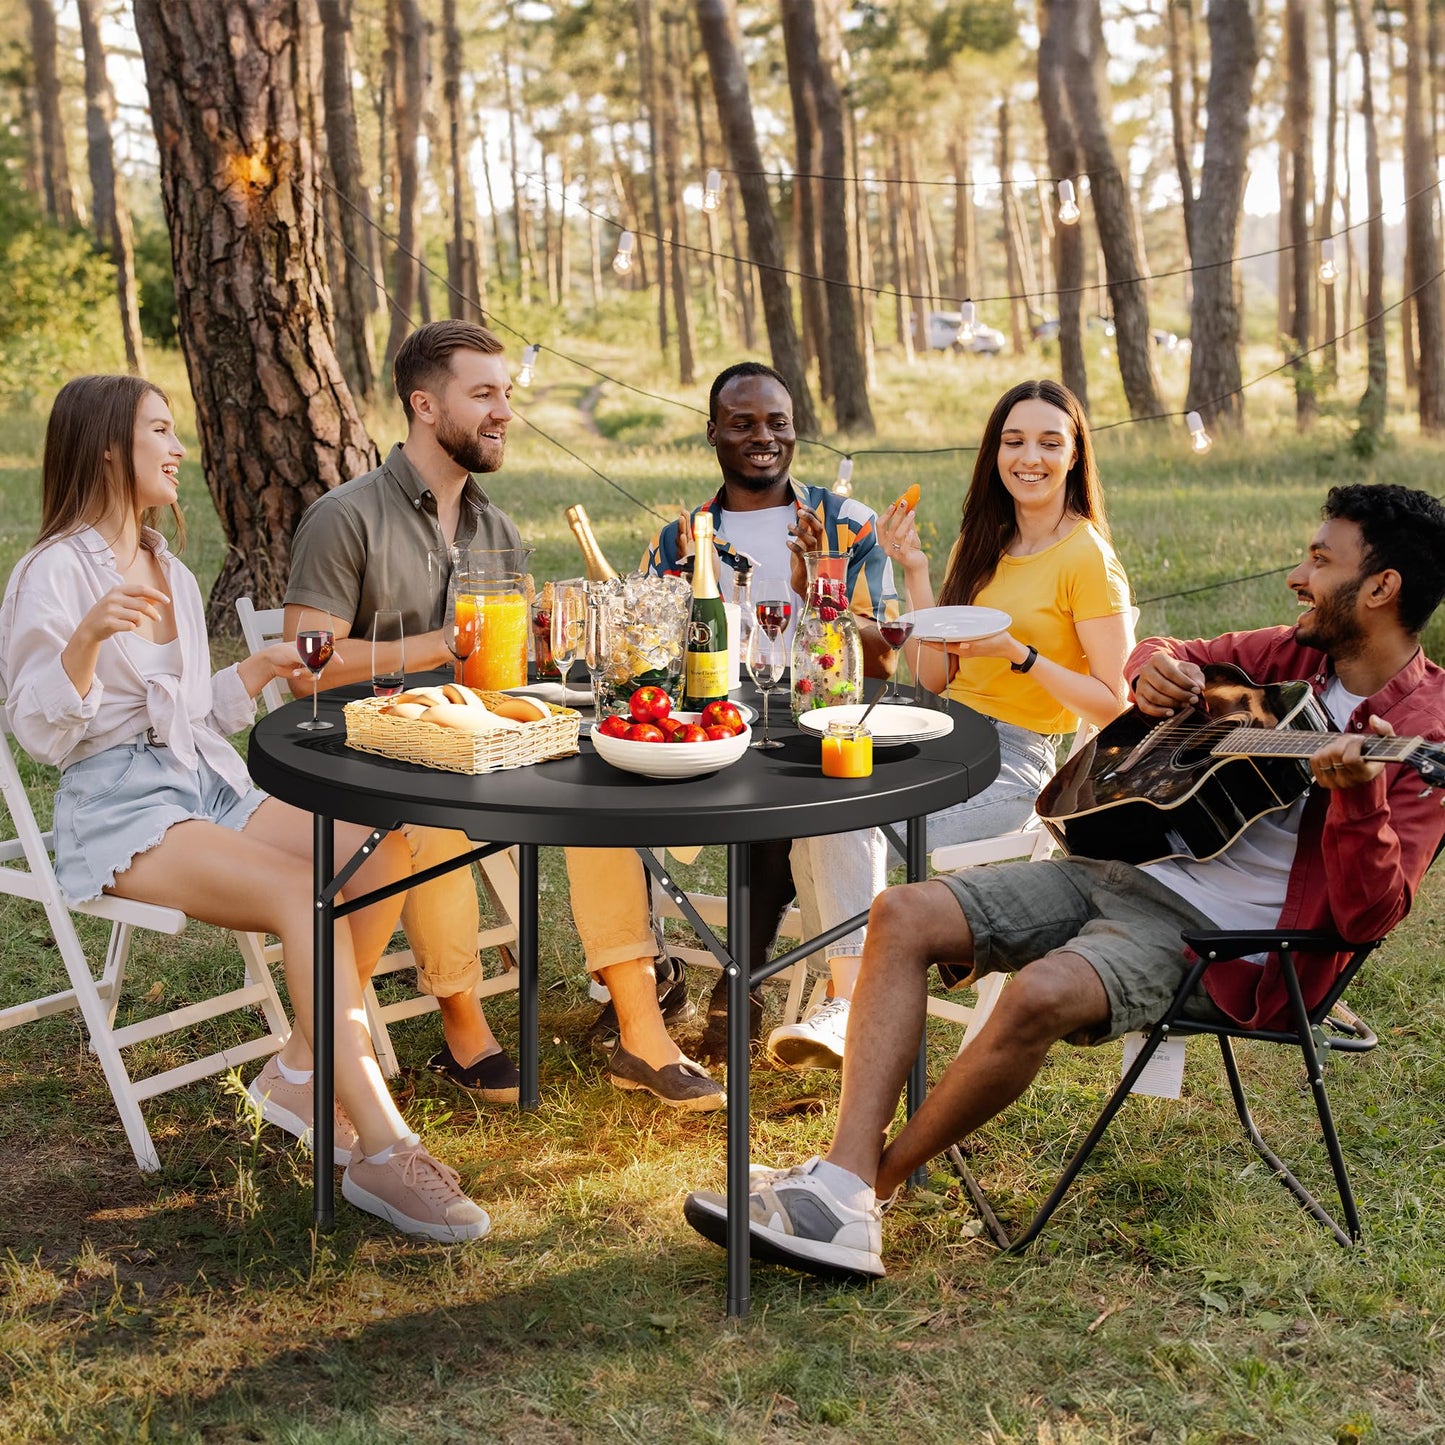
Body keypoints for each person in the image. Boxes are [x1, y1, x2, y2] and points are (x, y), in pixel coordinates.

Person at [683, 483, 1445, 1278]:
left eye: (1319, 561)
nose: (1297, 574)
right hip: (1121, 864)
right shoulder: (1290, 654)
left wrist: (1358, 803)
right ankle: (840, 1177)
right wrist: (1158, 675)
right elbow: (1165, 653)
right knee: (903, 912)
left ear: (1380, 588)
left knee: (1036, 994)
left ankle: (858, 1192)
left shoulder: (1423, 730)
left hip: (1219, 942)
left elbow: (1368, 917)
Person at [1, 374, 491, 1241]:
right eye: (159, 429)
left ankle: (301, 1069)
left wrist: (258, 673)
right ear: (109, 445)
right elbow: (40, 732)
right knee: (301, 894)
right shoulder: (50, 572)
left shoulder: (171, 571)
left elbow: (186, 712)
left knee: (377, 846)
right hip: (122, 806)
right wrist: (85, 638)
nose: (178, 447)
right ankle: (382, 1147)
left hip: (203, 783)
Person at [285, 320, 721, 1110]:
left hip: (482, 738)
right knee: (427, 815)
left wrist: (544, 645)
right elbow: (300, 665)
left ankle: (638, 1027)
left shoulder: (495, 527)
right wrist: (441, 648)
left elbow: (500, 666)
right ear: (424, 404)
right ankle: (464, 1027)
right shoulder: (344, 517)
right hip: (370, 752)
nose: (504, 413)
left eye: (507, 394)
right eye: (482, 394)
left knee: (602, 780)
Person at [643, 361, 899, 1069]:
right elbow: (648, 656)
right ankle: (652, 976)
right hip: (715, 728)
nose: (763, 437)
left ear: (795, 431)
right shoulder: (681, 540)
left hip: (820, 724)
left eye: (777, 422)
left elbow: (883, 659)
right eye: (743, 422)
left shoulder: (845, 526)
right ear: (713, 434)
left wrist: (820, 592)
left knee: (795, 793)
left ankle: (744, 985)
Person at [877, 378, 1134, 850]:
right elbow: (932, 679)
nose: (1030, 458)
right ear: (995, 454)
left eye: (1050, 443)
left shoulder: (1087, 557)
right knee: (826, 814)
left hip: (1015, 762)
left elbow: (1115, 705)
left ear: (1074, 456)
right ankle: (845, 927)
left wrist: (1021, 655)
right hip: (942, 731)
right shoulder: (977, 546)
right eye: (1014, 442)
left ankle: (863, 927)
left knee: (863, 831)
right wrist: (915, 573)